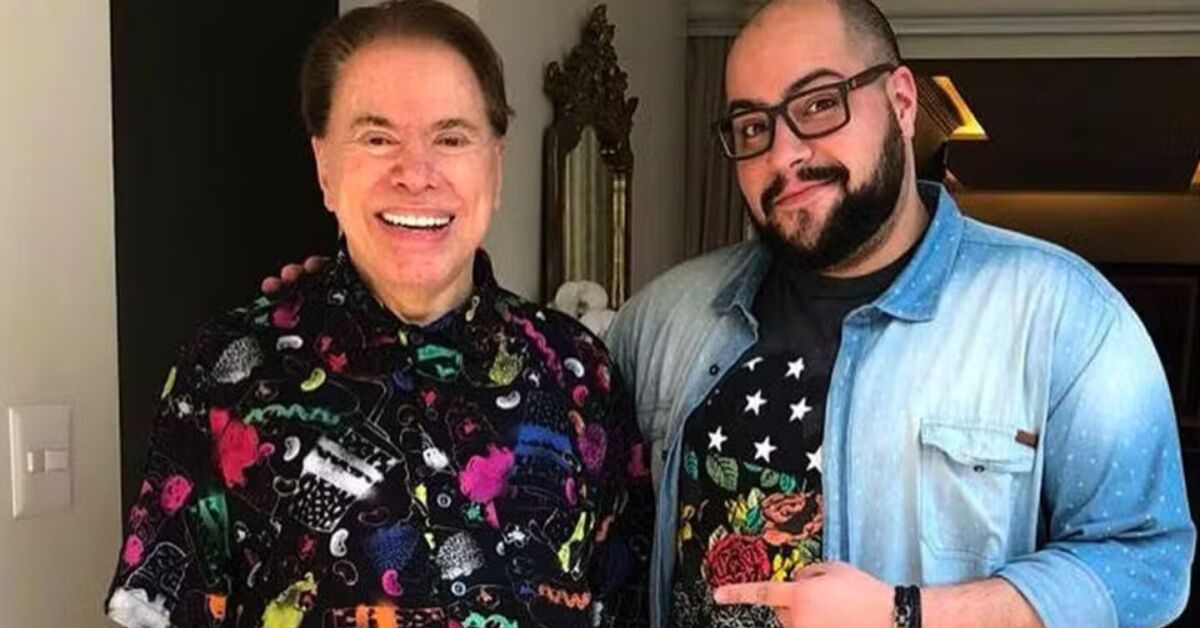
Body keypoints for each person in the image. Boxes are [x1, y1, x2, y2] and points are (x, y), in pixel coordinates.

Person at [602, 1, 1195, 627]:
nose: (783, 155)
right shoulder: (662, 317)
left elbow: (1147, 565)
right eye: (753, 127)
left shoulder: (1064, 315)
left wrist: (905, 615)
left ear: (903, 103)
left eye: (819, 104)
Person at [104, 2, 652, 627]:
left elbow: (628, 604)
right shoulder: (225, 373)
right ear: (325, 168)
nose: (415, 174)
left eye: (451, 138)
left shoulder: (580, 373)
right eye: (377, 138)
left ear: (495, 167)